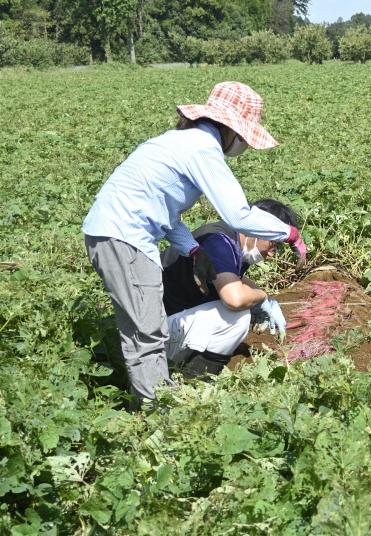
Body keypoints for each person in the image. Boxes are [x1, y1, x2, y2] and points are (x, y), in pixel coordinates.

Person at [83, 81, 307, 407]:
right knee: (147, 334)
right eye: (243, 136)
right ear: (229, 128)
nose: (243, 144)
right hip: (123, 236)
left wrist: (192, 249)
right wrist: (288, 233)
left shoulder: (180, 142)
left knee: (147, 329)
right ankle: (157, 416)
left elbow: (166, 213)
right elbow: (239, 213)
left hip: (118, 233)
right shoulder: (202, 148)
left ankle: (157, 401)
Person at [160, 199, 299, 378]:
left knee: (239, 299)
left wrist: (266, 300)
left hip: (164, 321)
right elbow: (234, 299)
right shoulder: (218, 242)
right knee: (236, 316)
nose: (273, 253)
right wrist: (261, 297)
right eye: (274, 243)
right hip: (154, 334)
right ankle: (193, 379)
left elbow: (232, 277)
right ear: (258, 228)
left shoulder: (232, 240)